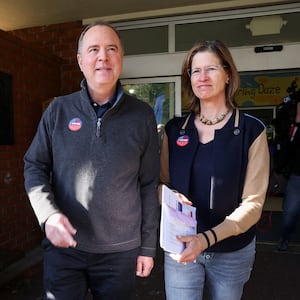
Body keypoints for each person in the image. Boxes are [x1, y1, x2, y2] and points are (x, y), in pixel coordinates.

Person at [24, 21, 160, 300]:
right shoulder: (58, 111)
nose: (103, 57)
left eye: (111, 49)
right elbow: (34, 165)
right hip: (66, 250)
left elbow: (148, 184)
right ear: (80, 61)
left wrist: (147, 247)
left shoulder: (142, 115)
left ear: (121, 58)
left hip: (120, 253)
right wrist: (48, 215)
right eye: (94, 49)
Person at [159, 40, 270, 300]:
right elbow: (160, 184)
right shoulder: (175, 130)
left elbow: (253, 205)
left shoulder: (251, 131)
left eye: (211, 69)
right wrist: (167, 197)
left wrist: (206, 239)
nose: (202, 77)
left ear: (228, 73)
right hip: (181, 245)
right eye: (195, 71)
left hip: (232, 250)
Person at [277, 100, 300, 251]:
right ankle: (285, 238)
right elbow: (290, 148)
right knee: (290, 212)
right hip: (297, 176)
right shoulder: (295, 129)